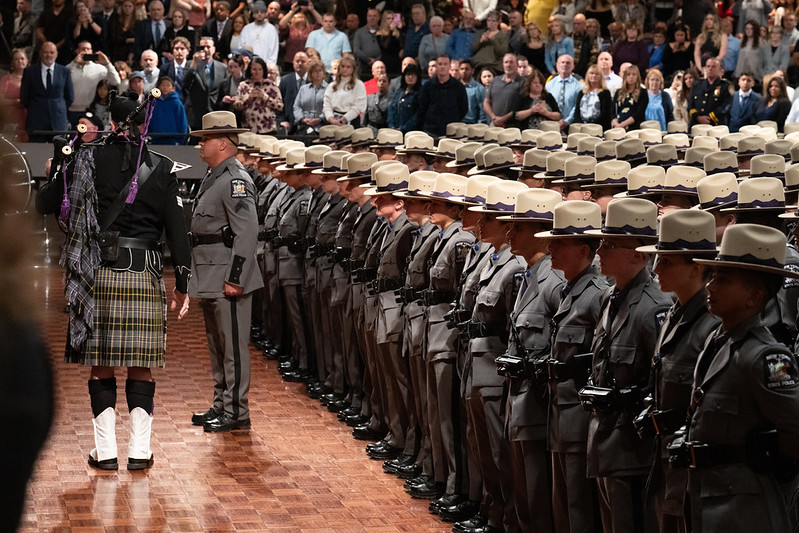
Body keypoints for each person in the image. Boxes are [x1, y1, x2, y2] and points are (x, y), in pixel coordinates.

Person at [39, 94, 191, 472]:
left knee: (101, 365)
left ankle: (105, 453)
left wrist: (59, 166)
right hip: (146, 274)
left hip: (98, 274)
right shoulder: (164, 167)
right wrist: (183, 285)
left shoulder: (85, 159)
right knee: (142, 366)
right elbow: (178, 233)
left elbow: (45, 204)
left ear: (111, 123)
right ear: (145, 126)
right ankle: (140, 453)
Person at [684, 223, 799, 532]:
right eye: (712, 276)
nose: (710, 286)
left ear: (753, 297)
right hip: (707, 492)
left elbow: (795, 429)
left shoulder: (766, 357)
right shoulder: (718, 340)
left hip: (745, 506)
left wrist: (775, 474)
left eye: (723, 279)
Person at [583, 198, 672, 533]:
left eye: (610, 244)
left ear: (639, 253)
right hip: (605, 438)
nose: (600, 251)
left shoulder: (654, 307)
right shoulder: (609, 297)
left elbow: (660, 382)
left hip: (633, 449)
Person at [632, 209, 720, 533]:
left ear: (696, 267)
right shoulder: (673, 315)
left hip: (694, 476)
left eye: (666, 261)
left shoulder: (713, 325)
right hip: (664, 464)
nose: (655, 269)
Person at [536, 200, 608, 533]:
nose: (549, 248)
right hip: (560, 408)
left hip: (579, 412)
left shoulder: (596, 293)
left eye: (558, 242)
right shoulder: (571, 289)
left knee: (580, 505)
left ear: (582, 249)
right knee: (563, 502)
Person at [189, 110, 262, 433]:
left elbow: (246, 232)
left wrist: (236, 277)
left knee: (232, 347)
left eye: (205, 139)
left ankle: (236, 410)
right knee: (218, 345)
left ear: (223, 142)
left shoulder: (235, 179)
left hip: (227, 276)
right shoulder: (215, 175)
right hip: (210, 273)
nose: (200, 145)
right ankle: (222, 403)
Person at [20, 41, 73, 142]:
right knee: (36, 153)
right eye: (45, 52)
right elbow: (24, 97)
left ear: (56, 54)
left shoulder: (64, 71)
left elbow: (69, 97)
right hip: (36, 121)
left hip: (58, 121)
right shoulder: (29, 71)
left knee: (59, 153)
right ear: (40, 53)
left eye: (52, 52)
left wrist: (57, 107)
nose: (48, 55)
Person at [66, 41, 121, 127]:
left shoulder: (99, 69)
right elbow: (64, 78)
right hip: (71, 110)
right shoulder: (70, 67)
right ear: (77, 51)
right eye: (83, 49)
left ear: (92, 51)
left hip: (91, 110)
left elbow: (116, 81)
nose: (86, 51)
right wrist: (74, 63)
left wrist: (107, 63)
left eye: (88, 49)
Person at [418, 55, 468, 136]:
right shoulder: (427, 86)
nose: (442, 67)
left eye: (445, 64)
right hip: (431, 130)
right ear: (436, 66)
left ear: (449, 66)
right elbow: (422, 107)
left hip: (452, 131)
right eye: (440, 64)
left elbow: (463, 108)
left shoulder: (458, 87)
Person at [234, 57, 284, 133]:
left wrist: (265, 97)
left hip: (268, 128)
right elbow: (236, 106)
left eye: (260, 69)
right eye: (254, 69)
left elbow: (280, 106)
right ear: (250, 70)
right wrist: (249, 99)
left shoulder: (271, 85)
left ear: (264, 71)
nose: (257, 72)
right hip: (249, 128)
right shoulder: (243, 85)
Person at [322, 55, 366, 127]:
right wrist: (331, 119)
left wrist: (345, 119)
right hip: (334, 120)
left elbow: (359, 106)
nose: (345, 69)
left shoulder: (359, 85)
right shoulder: (332, 85)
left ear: (353, 69)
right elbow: (326, 105)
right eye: (342, 66)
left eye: (348, 67)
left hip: (351, 120)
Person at [279, 2, 322, 73]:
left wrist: (312, 10)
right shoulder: (289, 29)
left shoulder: (311, 29)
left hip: (308, 60)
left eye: (302, 17)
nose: (300, 18)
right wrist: (292, 11)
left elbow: (321, 23)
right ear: (293, 19)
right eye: (297, 16)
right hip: (290, 61)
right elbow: (281, 25)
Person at [483, 53, 523, 129]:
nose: (508, 65)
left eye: (511, 62)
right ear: (503, 64)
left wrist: (503, 119)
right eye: (506, 62)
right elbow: (486, 103)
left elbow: (521, 107)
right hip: (494, 124)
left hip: (512, 127)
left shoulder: (523, 82)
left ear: (517, 65)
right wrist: (494, 118)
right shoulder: (495, 80)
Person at [688, 58, 731, 126]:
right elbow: (690, 104)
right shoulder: (697, 84)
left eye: (713, 66)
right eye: (708, 66)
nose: (710, 69)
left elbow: (726, 106)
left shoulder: (726, 86)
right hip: (696, 124)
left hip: (716, 124)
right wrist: (697, 117)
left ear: (720, 70)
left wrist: (710, 117)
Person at [545, 54, 582, 130]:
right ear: (557, 65)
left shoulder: (579, 86)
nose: (565, 64)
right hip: (551, 124)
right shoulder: (549, 84)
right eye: (562, 62)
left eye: (568, 63)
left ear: (573, 66)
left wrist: (566, 121)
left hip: (571, 125)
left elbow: (577, 106)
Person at [0, 48, 29, 140]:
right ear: (12, 62)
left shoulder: (33, 78)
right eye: (16, 59)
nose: (20, 61)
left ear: (27, 60)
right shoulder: (6, 79)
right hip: (11, 118)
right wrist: (15, 102)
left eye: (22, 58)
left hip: (28, 119)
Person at [574, 63, 613, 130]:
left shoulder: (605, 93)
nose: (594, 76)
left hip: (599, 128)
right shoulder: (582, 92)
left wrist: (592, 127)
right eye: (591, 73)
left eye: (597, 74)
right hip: (582, 128)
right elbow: (577, 112)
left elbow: (605, 114)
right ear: (587, 75)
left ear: (601, 76)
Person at [150, 76, 189, 144]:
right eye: (163, 85)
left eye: (168, 85)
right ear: (158, 87)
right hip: (156, 139)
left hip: (174, 140)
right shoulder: (154, 103)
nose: (165, 87)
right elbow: (150, 120)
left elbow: (182, 123)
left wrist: (182, 138)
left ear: (173, 88)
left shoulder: (177, 103)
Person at [293, 59, 327, 133]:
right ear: (310, 73)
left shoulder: (329, 89)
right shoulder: (303, 89)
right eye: (315, 71)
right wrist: (302, 119)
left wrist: (320, 119)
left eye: (320, 70)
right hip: (304, 127)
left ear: (324, 72)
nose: (317, 73)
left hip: (323, 127)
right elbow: (296, 106)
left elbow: (331, 107)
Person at [277, 51, 308, 132]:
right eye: (297, 61)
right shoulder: (285, 80)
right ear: (293, 62)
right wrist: (282, 120)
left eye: (303, 61)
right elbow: (279, 102)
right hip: (289, 124)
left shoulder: (313, 80)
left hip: (309, 124)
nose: (300, 63)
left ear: (308, 63)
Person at [387, 64, 422, 133]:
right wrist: (391, 126)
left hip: (411, 132)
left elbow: (418, 115)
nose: (410, 77)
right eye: (408, 74)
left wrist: (403, 128)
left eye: (413, 75)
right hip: (395, 131)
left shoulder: (420, 93)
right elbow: (391, 109)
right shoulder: (399, 91)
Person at [612, 65, 648, 131]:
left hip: (635, 128)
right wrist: (616, 123)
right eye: (628, 74)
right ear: (625, 77)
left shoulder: (643, 92)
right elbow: (613, 111)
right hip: (617, 127)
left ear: (638, 77)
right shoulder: (618, 92)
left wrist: (622, 124)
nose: (631, 77)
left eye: (634, 74)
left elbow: (639, 113)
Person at [471, 11, 507, 75]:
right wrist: (481, 41)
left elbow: (502, 52)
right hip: (479, 64)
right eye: (489, 20)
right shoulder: (480, 33)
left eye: (493, 21)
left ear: (498, 22)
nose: (491, 23)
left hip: (494, 65)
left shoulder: (502, 35)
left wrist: (493, 40)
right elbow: (472, 49)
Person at [353, 8, 383, 79]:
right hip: (363, 69)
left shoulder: (383, 32)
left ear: (379, 17)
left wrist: (376, 61)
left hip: (380, 68)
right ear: (366, 17)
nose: (372, 18)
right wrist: (368, 60)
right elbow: (356, 50)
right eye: (369, 16)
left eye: (374, 16)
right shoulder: (359, 33)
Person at [460, 59, 489, 124]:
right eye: (461, 69)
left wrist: (479, 126)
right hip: (456, 124)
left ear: (472, 71)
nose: (464, 71)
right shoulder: (455, 86)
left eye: (466, 69)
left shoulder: (479, 88)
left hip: (472, 124)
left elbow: (482, 110)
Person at [376, 10, 403, 78]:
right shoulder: (380, 34)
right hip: (386, 61)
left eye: (392, 18)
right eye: (388, 18)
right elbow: (385, 46)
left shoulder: (398, 34)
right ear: (384, 20)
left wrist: (400, 29)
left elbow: (402, 45)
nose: (391, 20)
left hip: (397, 62)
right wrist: (390, 31)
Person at [109, 0, 136, 64]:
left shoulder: (137, 23)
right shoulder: (115, 20)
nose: (127, 8)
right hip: (116, 52)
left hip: (131, 53)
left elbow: (138, 40)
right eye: (125, 6)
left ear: (134, 8)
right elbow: (113, 37)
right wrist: (129, 40)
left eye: (130, 6)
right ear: (121, 7)